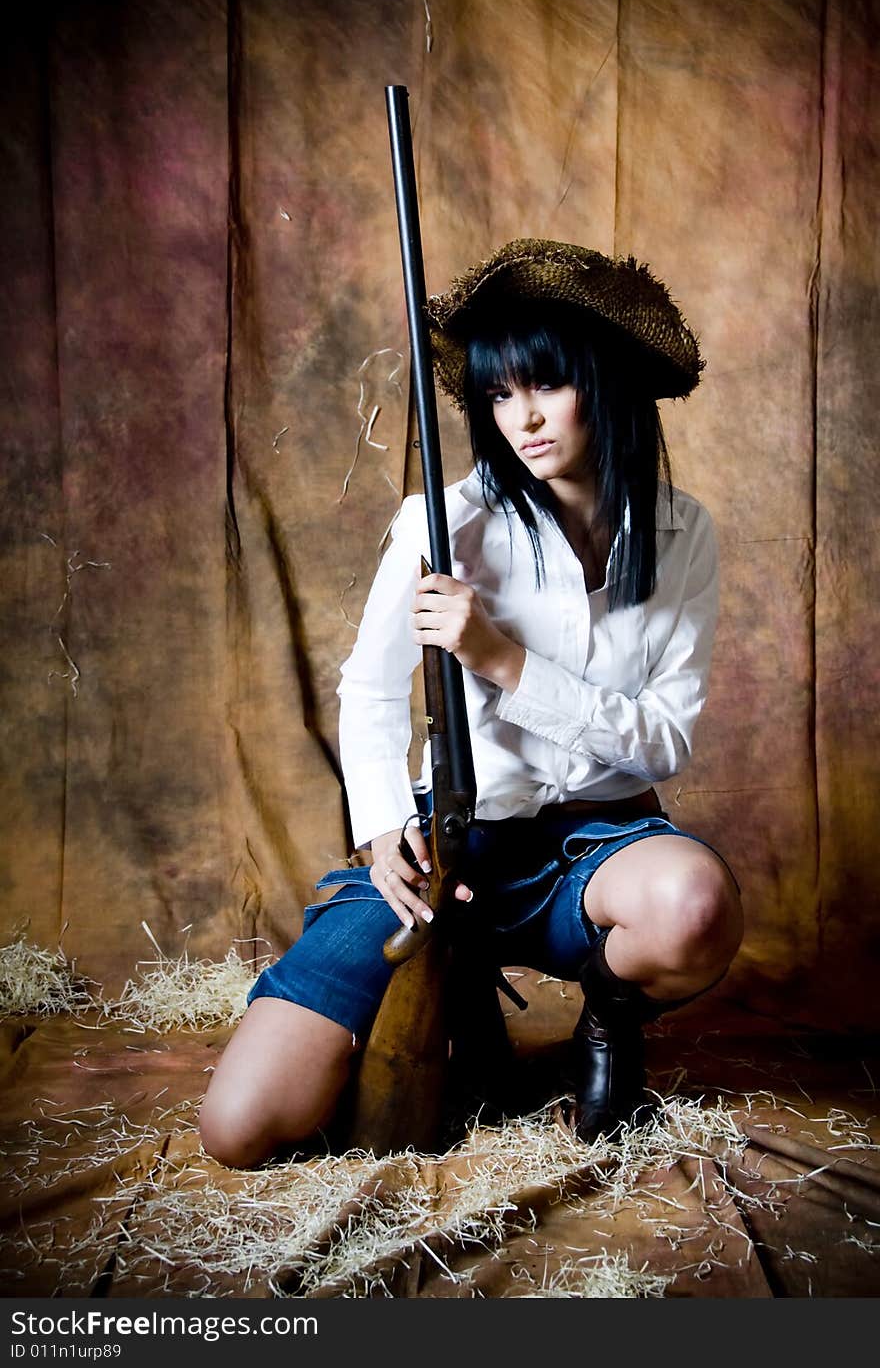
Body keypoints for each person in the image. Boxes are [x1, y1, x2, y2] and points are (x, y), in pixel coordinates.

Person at [199, 238, 743, 1169]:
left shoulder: (683, 532)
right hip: (453, 842)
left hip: (600, 845)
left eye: (546, 386)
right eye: (499, 394)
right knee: (241, 1125)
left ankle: (606, 1023)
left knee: (693, 906)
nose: (522, 418)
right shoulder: (441, 523)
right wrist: (382, 836)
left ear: (605, 382)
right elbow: (369, 691)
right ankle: (448, 1007)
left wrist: (502, 658)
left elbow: (662, 741)